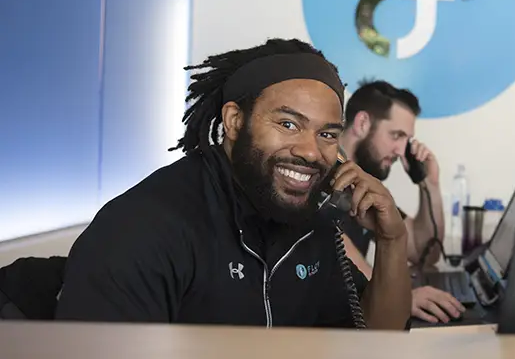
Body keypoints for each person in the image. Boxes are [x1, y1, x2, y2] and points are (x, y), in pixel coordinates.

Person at [56, 39, 411, 329]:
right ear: (234, 121)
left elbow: (376, 346)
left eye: (327, 134)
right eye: (288, 124)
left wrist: (392, 240)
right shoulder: (145, 226)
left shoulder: (311, 222)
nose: (310, 151)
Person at [338, 80, 465, 324]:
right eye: (396, 135)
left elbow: (424, 252)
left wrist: (429, 184)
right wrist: (402, 297)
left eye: (406, 140)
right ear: (362, 123)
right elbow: (337, 246)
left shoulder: (366, 183)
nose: (400, 150)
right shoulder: (322, 175)